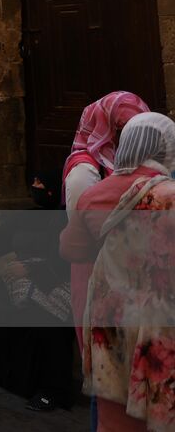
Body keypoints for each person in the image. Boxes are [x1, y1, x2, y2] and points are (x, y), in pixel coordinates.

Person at [60, 112, 175, 431]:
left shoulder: (95, 193)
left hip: (109, 318)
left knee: (112, 413)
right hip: (159, 322)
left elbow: (71, 249)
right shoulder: (169, 196)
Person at [0, 171, 73, 412]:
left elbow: (65, 259)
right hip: (19, 280)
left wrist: (30, 269)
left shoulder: (68, 220)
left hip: (56, 281)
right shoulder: (28, 217)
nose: (34, 185)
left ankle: (51, 391)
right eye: (34, 181)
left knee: (47, 322)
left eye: (40, 182)